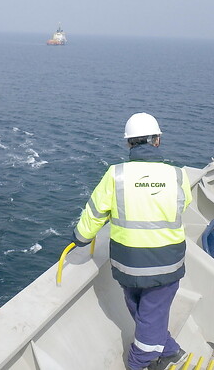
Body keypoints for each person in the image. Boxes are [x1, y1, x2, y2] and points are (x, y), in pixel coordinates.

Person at [71, 112, 192, 370]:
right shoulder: (179, 176)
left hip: (127, 265)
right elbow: (184, 205)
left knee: (142, 311)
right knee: (152, 313)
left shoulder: (115, 175)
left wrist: (80, 238)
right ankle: (139, 363)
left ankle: (169, 350)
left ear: (129, 143)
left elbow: (93, 214)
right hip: (166, 264)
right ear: (157, 141)